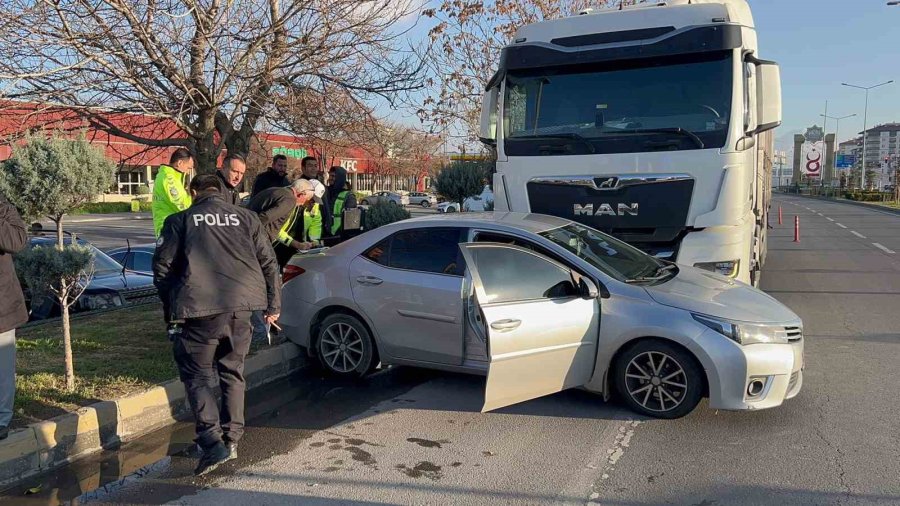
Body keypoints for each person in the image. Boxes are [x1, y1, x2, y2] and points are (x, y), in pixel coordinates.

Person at [152, 174, 281, 476]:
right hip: (241, 310)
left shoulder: (179, 220)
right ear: (222, 193)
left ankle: (212, 443)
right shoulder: (247, 218)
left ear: (193, 191)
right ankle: (232, 437)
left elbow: (162, 269)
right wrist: (274, 305)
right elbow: (269, 263)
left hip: (199, 310)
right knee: (232, 372)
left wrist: (171, 309)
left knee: (197, 375)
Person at [0, 195, 28, 441]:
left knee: (2, 369)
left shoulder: (5, 208)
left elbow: (16, 242)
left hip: (2, 306)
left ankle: (1, 420)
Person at [247, 179, 318, 268]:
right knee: (270, 270)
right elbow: (266, 217)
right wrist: (249, 229)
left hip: (250, 234)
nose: (303, 203)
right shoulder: (290, 200)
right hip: (257, 239)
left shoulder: (276, 190)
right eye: (306, 200)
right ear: (301, 194)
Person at [152, 148, 194, 237]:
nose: (188, 172)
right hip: (170, 231)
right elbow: (182, 205)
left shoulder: (171, 178)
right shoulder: (169, 179)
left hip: (172, 229)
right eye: (188, 168)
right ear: (179, 163)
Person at [299, 156, 332, 238]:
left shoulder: (322, 186)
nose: (313, 168)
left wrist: (328, 222)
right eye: (310, 166)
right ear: (303, 168)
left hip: (322, 227)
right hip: (304, 231)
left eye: (315, 166)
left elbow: (326, 206)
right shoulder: (299, 186)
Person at [326, 165, 358, 244]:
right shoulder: (325, 192)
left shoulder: (349, 197)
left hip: (340, 239)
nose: (331, 178)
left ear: (340, 178)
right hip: (326, 236)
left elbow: (351, 223)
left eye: (334, 176)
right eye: (330, 175)